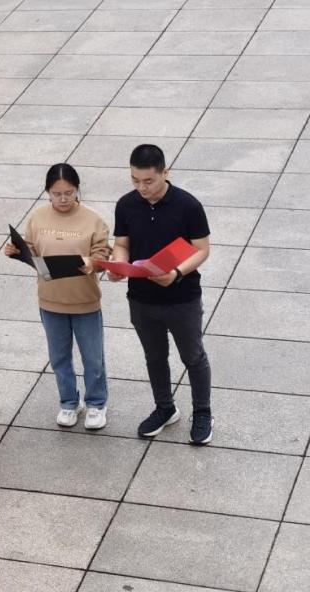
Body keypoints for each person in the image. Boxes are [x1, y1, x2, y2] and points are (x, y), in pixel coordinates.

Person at [108, 144, 213, 445]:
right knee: (154, 356)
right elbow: (122, 243)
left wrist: (177, 273)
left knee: (193, 356)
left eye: (148, 181)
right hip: (141, 298)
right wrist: (119, 265)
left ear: (165, 172)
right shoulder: (126, 205)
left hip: (182, 298)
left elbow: (202, 249)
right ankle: (165, 408)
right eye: (135, 180)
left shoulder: (188, 206)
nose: (141, 188)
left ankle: (203, 413)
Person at [4, 164, 110, 430]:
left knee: (93, 358)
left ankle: (97, 403)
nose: (63, 199)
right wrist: (16, 251)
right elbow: (29, 248)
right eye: (56, 194)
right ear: (47, 192)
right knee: (59, 357)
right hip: (50, 300)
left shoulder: (93, 219)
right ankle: (69, 402)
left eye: (69, 193)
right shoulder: (37, 217)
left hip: (85, 300)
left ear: (77, 190)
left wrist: (93, 263)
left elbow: (103, 253)